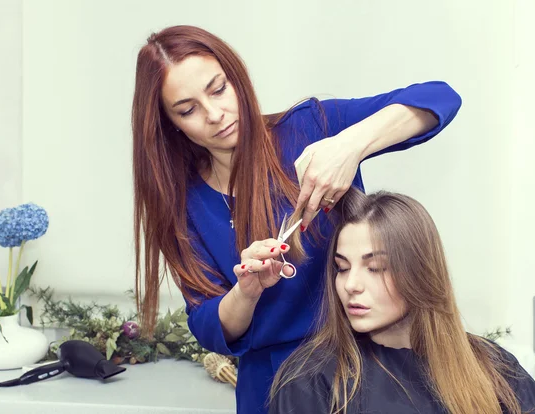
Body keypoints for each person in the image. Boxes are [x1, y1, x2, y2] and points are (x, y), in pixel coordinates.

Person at [131, 25, 462, 414]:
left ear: (236, 77)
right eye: (188, 110)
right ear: (169, 122)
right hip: (270, 388)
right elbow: (208, 325)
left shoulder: (310, 128)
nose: (215, 114)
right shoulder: (182, 202)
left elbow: (439, 99)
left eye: (219, 89)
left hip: (363, 373)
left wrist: (348, 146)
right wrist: (246, 290)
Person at [269, 190, 535, 414]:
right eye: (342, 267)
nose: (351, 285)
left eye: (376, 268)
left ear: (421, 272)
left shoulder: (495, 368)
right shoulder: (310, 379)